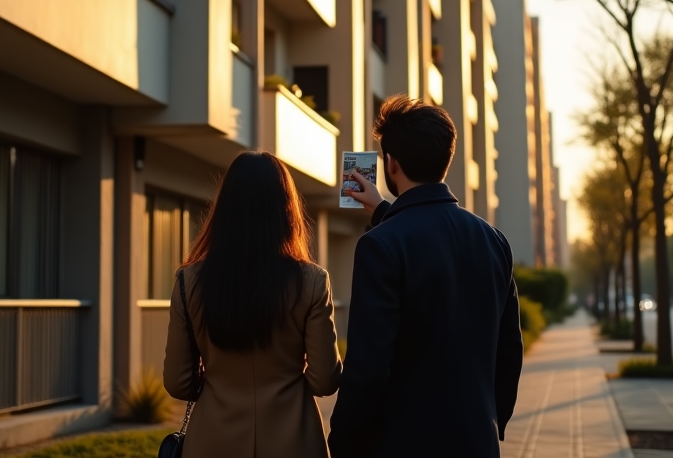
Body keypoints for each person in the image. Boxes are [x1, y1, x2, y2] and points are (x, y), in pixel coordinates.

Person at [328, 95, 523, 458]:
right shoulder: (494, 241)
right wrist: (493, 420)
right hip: (477, 440)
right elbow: (510, 351)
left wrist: (343, 442)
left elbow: (368, 370)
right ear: (446, 159)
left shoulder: (379, 246)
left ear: (390, 163)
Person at [163, 151, 342, 458]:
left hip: (212, 440)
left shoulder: (188, 281)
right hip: (294, 441)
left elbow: (178, 383)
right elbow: (324, 379)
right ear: (286, 210)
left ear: (225, 208)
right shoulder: (311, 281)